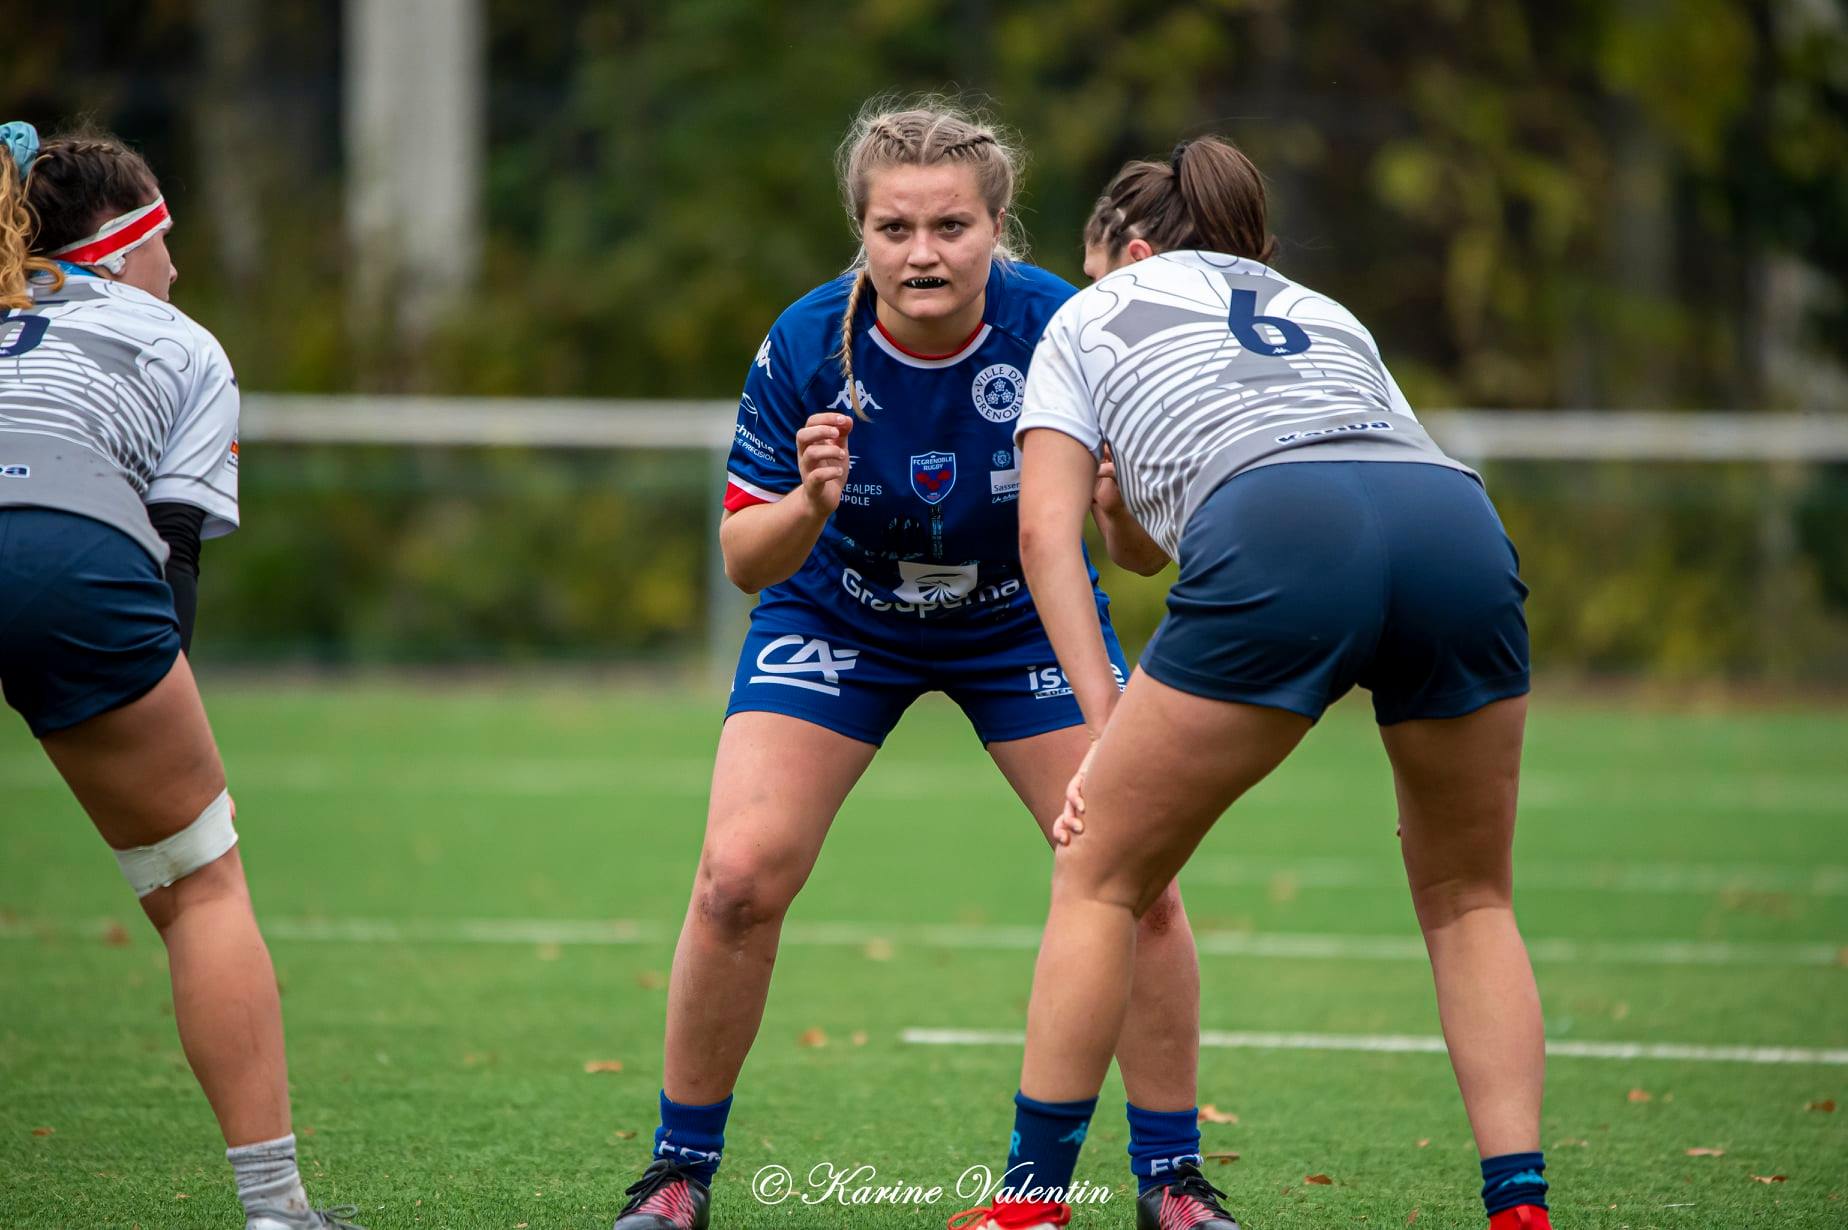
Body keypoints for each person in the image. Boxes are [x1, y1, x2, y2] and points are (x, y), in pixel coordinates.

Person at [609, 100, 1236, 1230]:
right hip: (840, 615)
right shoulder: (809, 341)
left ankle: (1173, 1183)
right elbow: (745, 560)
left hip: (1021, 621)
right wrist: (808, 501)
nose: (922, 253)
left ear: (998, 228)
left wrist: (1116, 510)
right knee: (737, 876)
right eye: (893, 228)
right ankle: (677, 1174)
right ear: (861, 232)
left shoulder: (1068, 329)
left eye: (951, 225)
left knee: (1136, 879)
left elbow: (1139, 556)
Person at [955, 136, 1546, 1230]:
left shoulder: (1086, 316)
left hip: (1282, 524)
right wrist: (1127, 511)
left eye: (1092, 265)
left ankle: (1030, 1202)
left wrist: (1103, 723)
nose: (1086, 285)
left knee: (1101, 874)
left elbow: (1044, 537)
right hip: (1451, 522)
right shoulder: (1320, 308)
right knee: (1472, 897)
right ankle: (1520, 1208)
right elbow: (1151, 538)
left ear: (1131, 253)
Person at [0, 122, 362, 1230]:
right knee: (201, 886)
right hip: (69, 548)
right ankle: (276, 1209)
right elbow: (175, 561)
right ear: (127, 247)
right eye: (169, 242)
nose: (179, 267)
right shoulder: (182, 342)